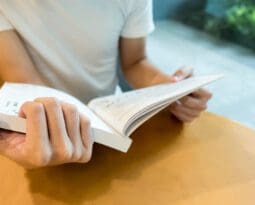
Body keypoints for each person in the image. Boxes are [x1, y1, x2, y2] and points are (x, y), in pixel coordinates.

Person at [0, 0, 212, 168]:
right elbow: (26, 83)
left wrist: (172, 90)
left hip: (111, 121)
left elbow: (135, 62)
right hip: (43, 131)